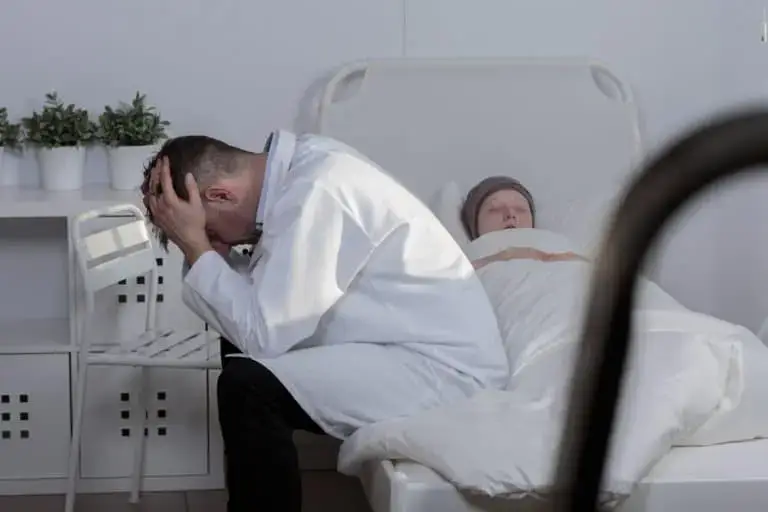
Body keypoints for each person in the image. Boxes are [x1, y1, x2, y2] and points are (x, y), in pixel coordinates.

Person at [140, 131, 507, 512]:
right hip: (399, 343)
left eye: (211, 229)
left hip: (444, 370)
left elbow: (264, 335)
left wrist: (198, 248)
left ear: (220, 195)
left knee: (248, 387)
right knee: (237, 343)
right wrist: (207, 249)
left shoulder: (318, 192)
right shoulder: (303, 168)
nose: (219, 241)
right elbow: (257, 314)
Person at [459, 176, 587, 269]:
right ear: (474, 224)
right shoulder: (461, 270)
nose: (510, 214)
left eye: (520, 209)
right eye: (495, 209)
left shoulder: (562, 246)